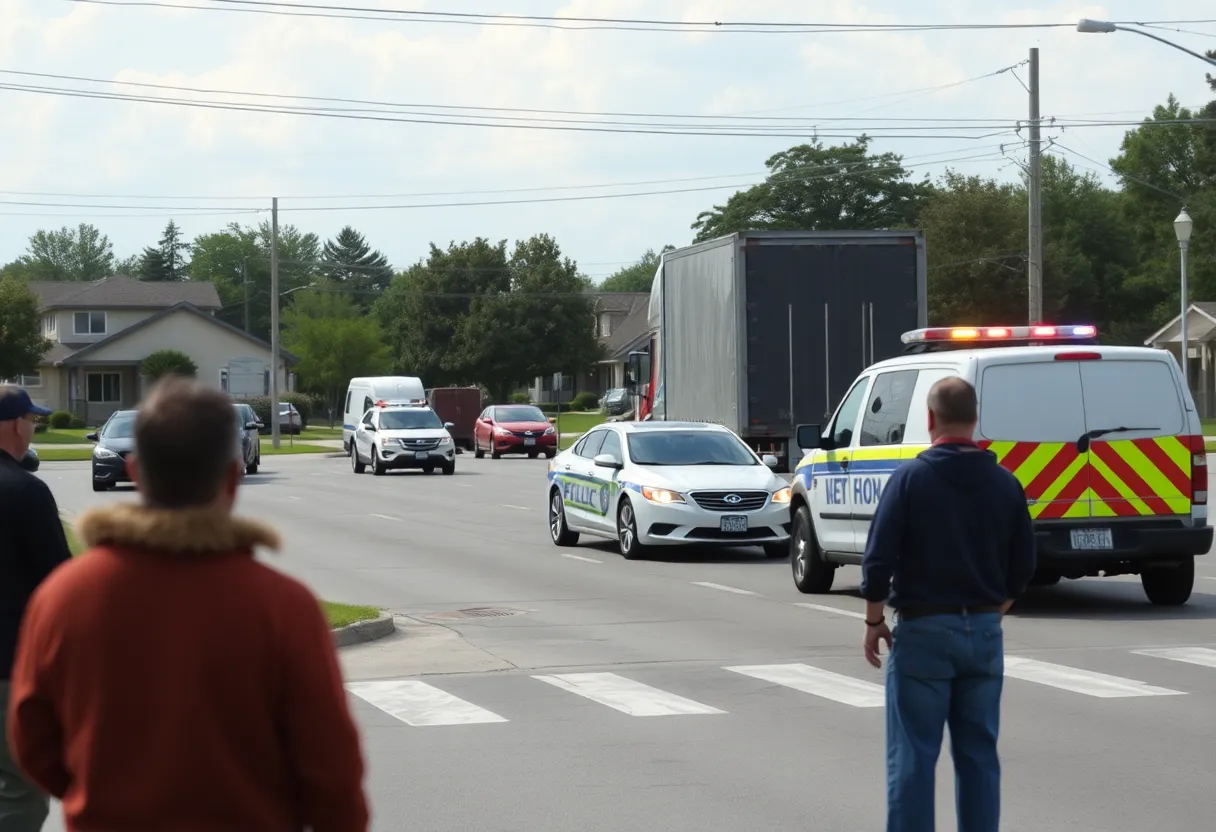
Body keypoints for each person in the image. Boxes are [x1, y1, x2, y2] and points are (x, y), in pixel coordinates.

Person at [6, 377, 370, 832]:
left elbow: (33, 740)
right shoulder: (282, 606)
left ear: (135, 472)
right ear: (233, 479)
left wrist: (99, 793)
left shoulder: (64, 597)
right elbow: (332, 770)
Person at [860, 376, 1036, 832]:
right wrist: (994, 612)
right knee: (979, 757)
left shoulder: (910, 479)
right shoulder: (1005, 483)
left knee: (913, 760)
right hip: (982, 633)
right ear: (975, 419)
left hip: (922, 635)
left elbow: (878, 559)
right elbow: (1024, 564)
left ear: (931, 418)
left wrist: (874, 619)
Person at [0, 386, 69, 832]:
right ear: (12, 426)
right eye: (31, 420)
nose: (33, 427)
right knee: (21, 789)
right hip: (9, 671)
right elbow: (63, 587)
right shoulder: (25, 491)